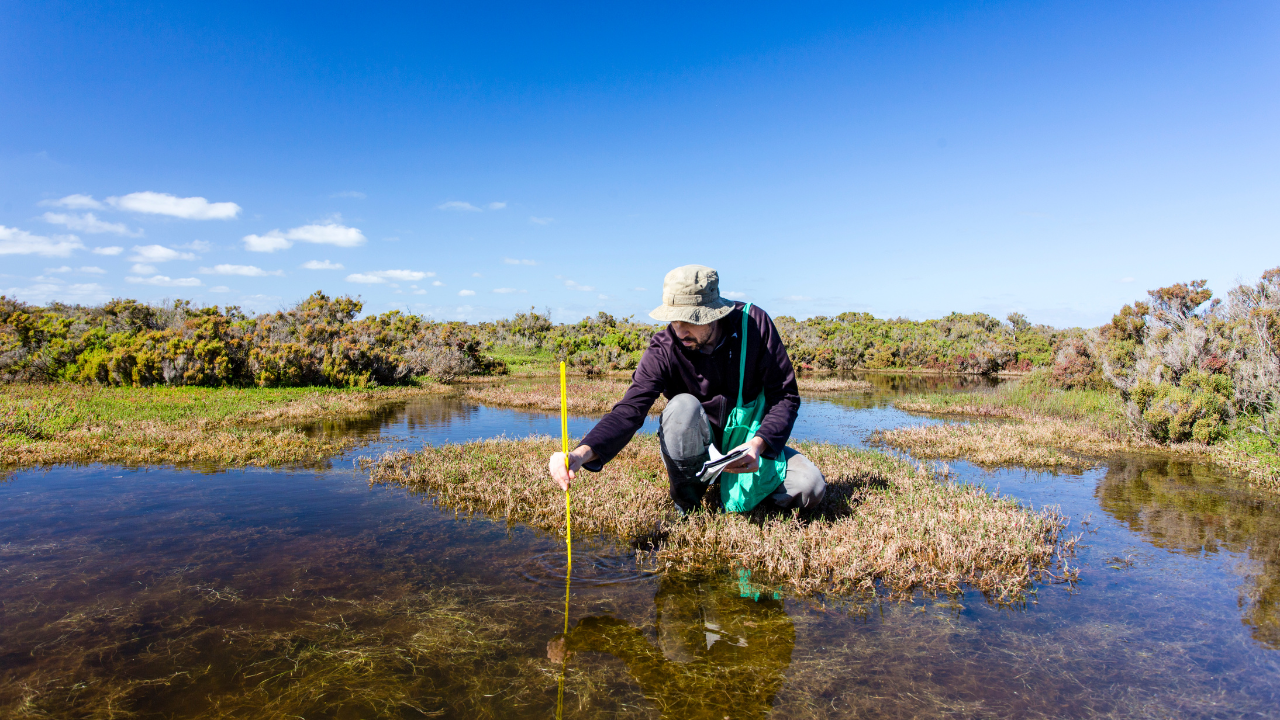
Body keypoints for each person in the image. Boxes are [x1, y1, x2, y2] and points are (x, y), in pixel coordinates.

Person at [547, 264, 826, 513]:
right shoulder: (664, 349)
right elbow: (629, 411)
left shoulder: (755, 326)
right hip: (696, 447)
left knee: (809, 486)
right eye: (673, 319)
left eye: (689, 320)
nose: (679, 331)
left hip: (747, 445)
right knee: (682, 407)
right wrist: (579, 455)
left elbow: (785, 396)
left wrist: (758, 444)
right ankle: (688, 502)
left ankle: (740, 490)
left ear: (713, 314)